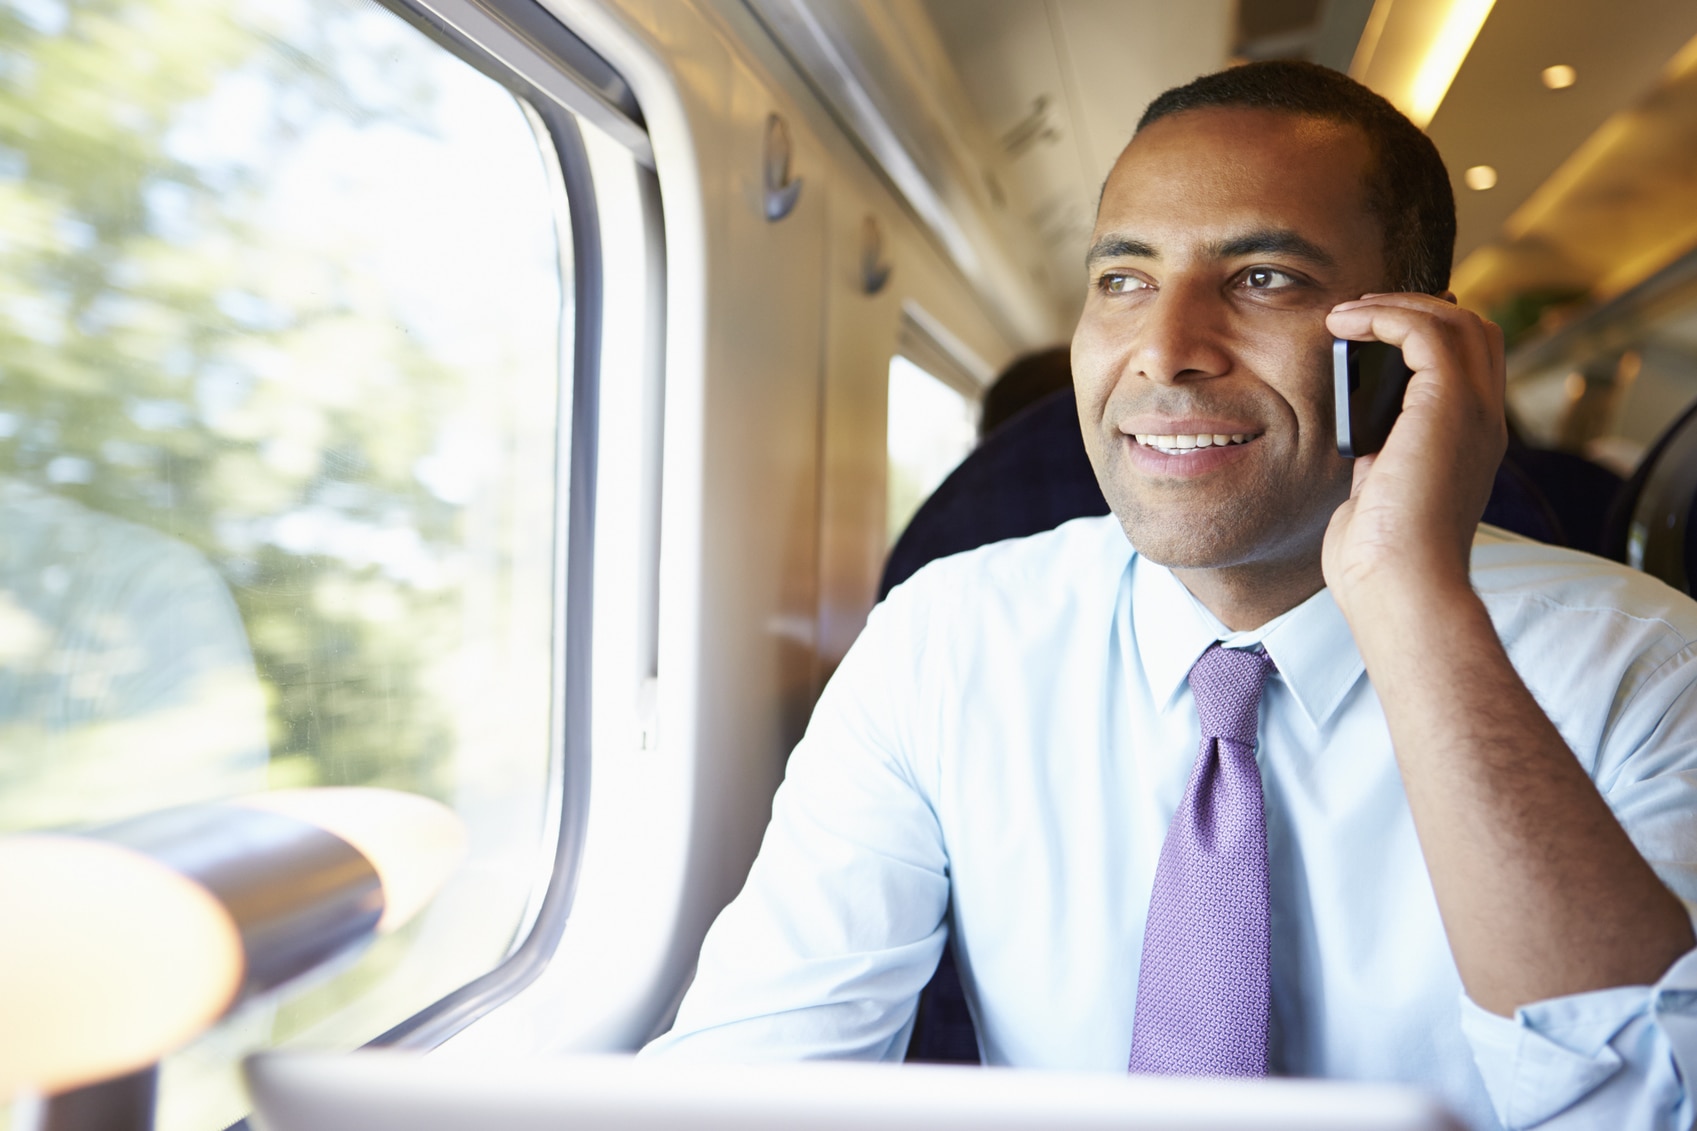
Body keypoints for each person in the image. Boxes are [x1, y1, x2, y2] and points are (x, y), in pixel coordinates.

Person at [643, 61, 1697, 1130]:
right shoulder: (944, 639)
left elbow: (1651, 1110)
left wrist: (1411, 601)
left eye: (1262, 279)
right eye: (1123, 281)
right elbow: (751, 1080)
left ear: (1406, 347)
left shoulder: (1645, 667)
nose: (1164, 349)